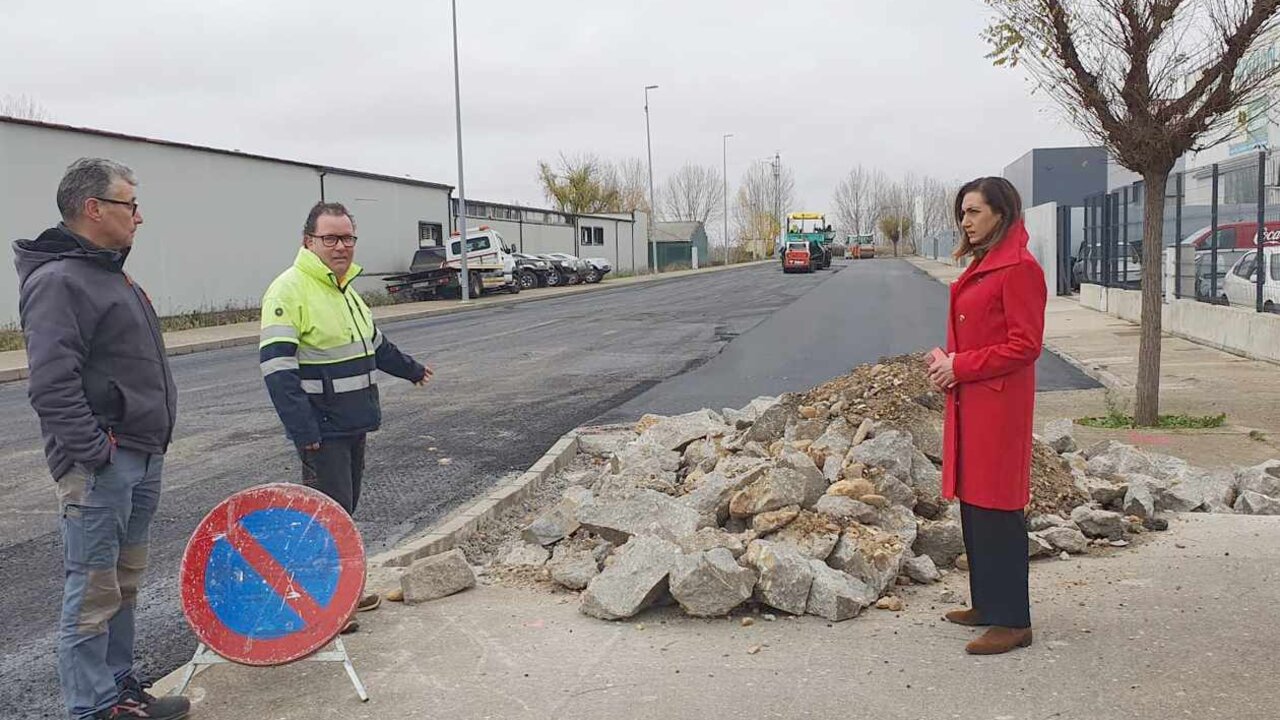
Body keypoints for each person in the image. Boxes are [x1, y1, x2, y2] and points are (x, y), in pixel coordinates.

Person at [14, 158, 190, 720]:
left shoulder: (110, 273)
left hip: (141, 454)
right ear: (94, 209)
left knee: (124, 583)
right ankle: (92, 708)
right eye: (129, 204)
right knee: (92, 594)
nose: (139, 217)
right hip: (103, 466)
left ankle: (119, 690)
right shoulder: (59, 280)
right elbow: (50, 384)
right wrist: (95, 454)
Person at [259, 201, 432, 631]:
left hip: (353, 421)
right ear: (309, 241)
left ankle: (342, 596)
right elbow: (278, 371)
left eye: (347, 238)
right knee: (324, 520)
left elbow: (375, 345)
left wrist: (410, 370)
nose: (341, 247)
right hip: (322, 429)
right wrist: (304, 431)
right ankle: (323, 610)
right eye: (330, 238)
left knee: (342, 513)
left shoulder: (346, 292)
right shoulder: (289, 290)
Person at [926, 176, 1045, 655]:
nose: (965, 221)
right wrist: (946, 364)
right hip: (972, 399)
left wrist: (961, 366)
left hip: (997, 405)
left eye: (974, 211)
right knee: (975, 506)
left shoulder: (1019, 268)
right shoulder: (986, 263)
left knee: (999, 510)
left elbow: (1025, 345)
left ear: (1001, 212)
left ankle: (1013, 620)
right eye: (962, 212)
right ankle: (987, 604)